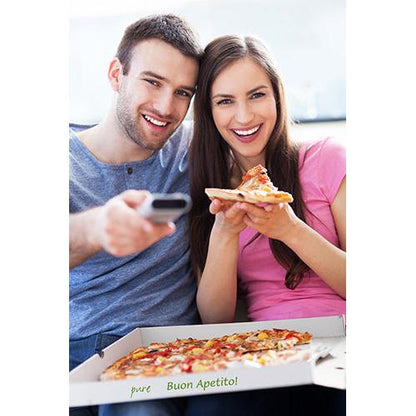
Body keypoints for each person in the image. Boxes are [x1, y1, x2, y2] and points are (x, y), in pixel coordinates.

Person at [188, 35, 346, 415]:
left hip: (344, 343)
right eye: (225, 101)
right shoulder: (209, 192)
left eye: (257, 95)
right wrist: (225, 232)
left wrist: (290, 229)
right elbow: (215, 318)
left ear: (277, 96)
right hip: (262, 355)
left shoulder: (326, 158)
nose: (244, 117)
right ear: (209, 113)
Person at [69, 14, 203, 416]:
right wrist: (95, 228)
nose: (166, 107)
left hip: (173, 352)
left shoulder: (194, 149)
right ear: (116, 74)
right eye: (152, 82)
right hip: (82, 347)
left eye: (183, 92)